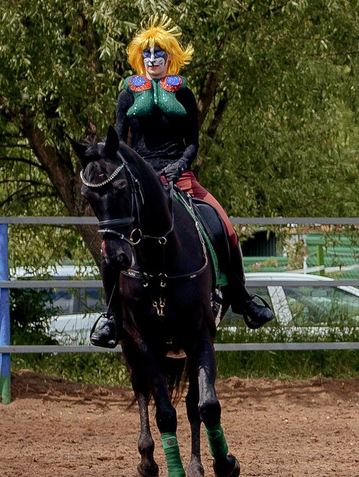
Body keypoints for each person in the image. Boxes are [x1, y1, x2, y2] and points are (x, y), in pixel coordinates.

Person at [88, 23, 275, 347]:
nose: (152, 59)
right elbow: (118, 143)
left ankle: (242, 298)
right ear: (139, 58)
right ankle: (112, 317)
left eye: (158, 53)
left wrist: (179, 165)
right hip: (140, 181)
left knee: (225, 226)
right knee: (110, 245)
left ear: (169, 57)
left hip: (179, 175)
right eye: (147, 53)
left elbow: (193, 143)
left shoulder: (184, 94)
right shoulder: (127, 94)